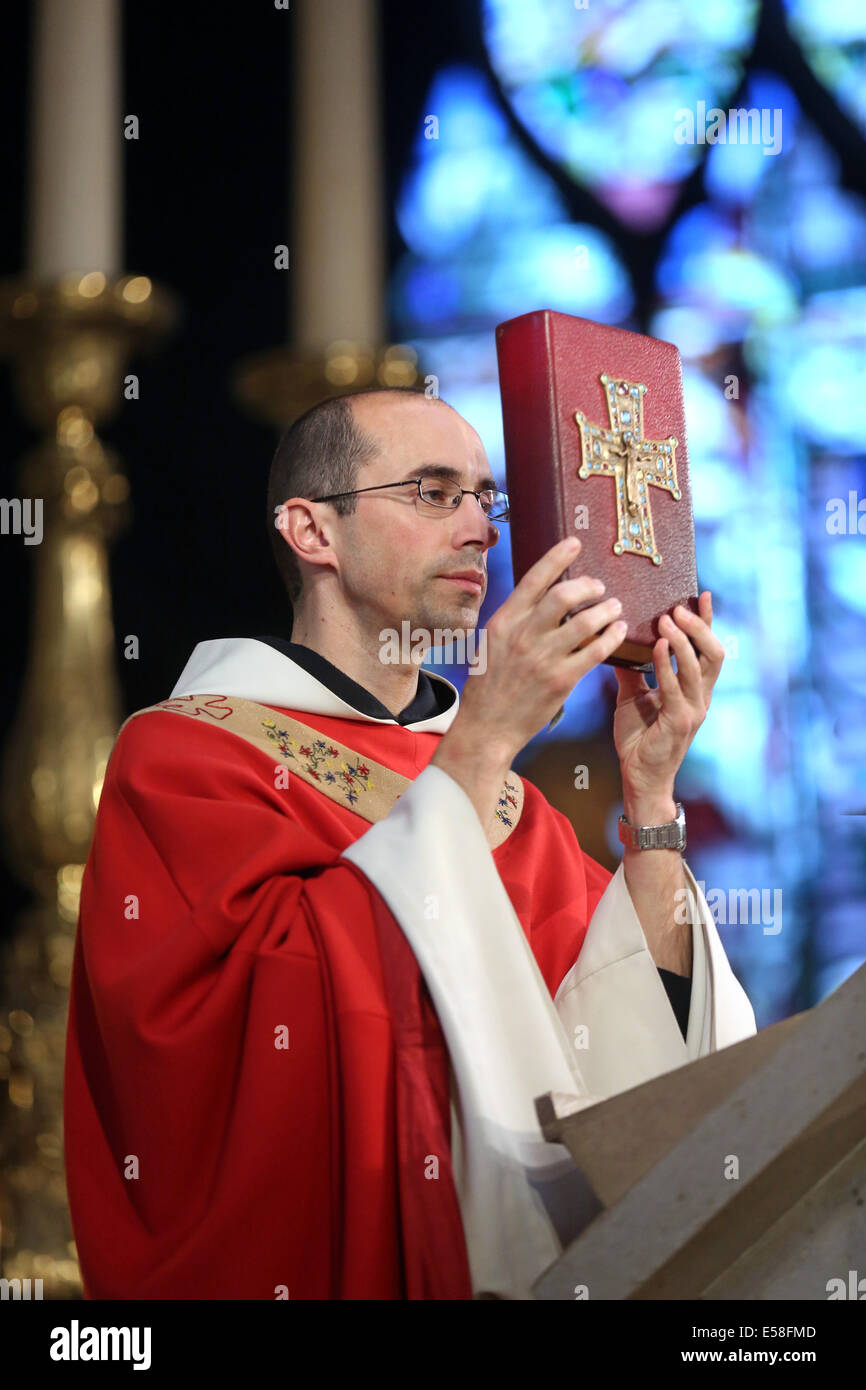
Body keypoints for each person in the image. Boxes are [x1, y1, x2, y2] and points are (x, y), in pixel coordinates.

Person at [64, 387, 756, 1301]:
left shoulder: (512, 802)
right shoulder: (188, 755)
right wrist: (482, 743)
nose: (480, 530)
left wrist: (652, 796)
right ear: (313, 531)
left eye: (486, 498)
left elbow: (631, 1055)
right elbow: (243, 1053)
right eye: (433, 493)